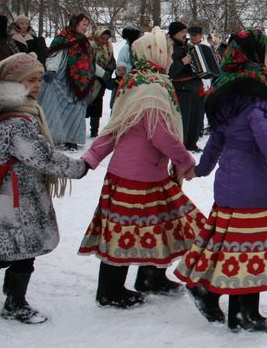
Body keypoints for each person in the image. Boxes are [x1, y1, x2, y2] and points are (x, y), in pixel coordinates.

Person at [175, 29, 267, 332]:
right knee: (254, 252)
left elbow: (215, 141)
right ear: (254, 55)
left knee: (233, 250)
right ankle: (245, 314)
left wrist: (201, 169)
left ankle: (210, 293)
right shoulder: (256, 95)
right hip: (253, 188)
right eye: (266, 53)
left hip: (229, 186)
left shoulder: (226, 90)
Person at [78, 27, 204, 309]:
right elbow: (159, 133)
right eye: (168, 52)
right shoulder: (151, 87)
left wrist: (92, 158)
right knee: (125, 231)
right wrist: (184, 161)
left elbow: (116, 127)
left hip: (143, 173)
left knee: (159, 224)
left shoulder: (137, 80)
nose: (171, 57)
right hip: (138, 176)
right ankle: (109, 291)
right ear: (156, 54)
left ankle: (151, 276)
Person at [0, 53, 88, 324]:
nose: (37, 85)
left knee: (18, 249)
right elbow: (43, 157)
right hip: (15, 198)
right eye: (29, 80)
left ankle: (15, 299)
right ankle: (15, 304)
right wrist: (79, 168)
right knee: (20, 249)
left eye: (39, 79)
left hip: (13, 194)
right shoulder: (16, 120)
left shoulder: (17, 109)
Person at [37, 13, 98, 150]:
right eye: (84, 24)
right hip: (65, 82)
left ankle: (72, 140)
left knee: (77, 111)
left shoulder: (84, 41)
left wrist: (101, 72)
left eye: (87, 25)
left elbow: (89, 61)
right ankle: (55, 138)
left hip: (80, 83)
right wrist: (52, 70)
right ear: (75, 23)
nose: (85, 28)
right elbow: (54, 56)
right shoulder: (64, 38)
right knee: (59, 110)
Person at [168, 21, 203, 152]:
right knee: (184, 119)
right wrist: (182, 62)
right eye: (181, 32)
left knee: (196, 117)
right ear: (174, 33)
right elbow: (169, 71)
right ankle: (181, 145)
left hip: (195, 86)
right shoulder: (169, 48)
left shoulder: (188, 47)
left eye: (184, 32)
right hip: (181, 88)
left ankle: (192, 143)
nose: (184, 34)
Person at [85, 27, 117, 137]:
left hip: (101, 80)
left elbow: (112, 61)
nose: (104, 41)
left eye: (106, 39)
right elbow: (87, 62)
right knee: (84, 104)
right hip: (88, 79)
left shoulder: (108, 47)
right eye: (102, 38)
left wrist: (108, 70)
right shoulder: (89, 45)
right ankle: (78, 129)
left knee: (97, 104)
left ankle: (94, 129)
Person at [110, 25, 143, 109]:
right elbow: (120, 66)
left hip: (137, 82)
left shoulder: (138, 48)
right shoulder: (126, 49)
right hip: (125, 82)